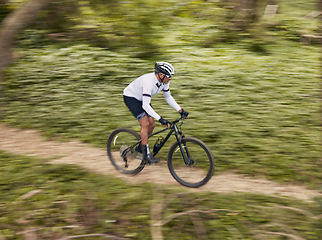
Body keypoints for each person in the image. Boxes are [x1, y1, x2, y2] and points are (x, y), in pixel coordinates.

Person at [123, 62, 189, 164]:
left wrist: (180, 110)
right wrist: (160, 119)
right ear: (161, 75)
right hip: (131, 97)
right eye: (169, 77)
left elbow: (168, 97)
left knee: (152, 125)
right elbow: (145, 106)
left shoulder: (164, 81)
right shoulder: (149, 82)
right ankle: (146, 154)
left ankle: (141, 147)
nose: (170, 79)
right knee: (145, 123)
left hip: (142, 99)